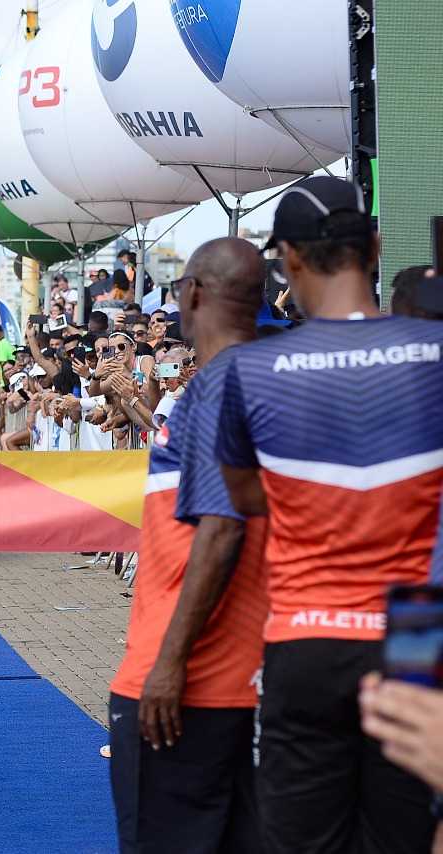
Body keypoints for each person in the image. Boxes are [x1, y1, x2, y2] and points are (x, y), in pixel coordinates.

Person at [216, 177, 443, 853]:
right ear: (373, 246)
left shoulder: (249, 372)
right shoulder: (434, 353)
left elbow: (245, 497)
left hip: (305, 631)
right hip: (415, 630)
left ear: (287, 260)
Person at [108, 238, 270, 854]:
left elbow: (222, 527)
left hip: (188, 685)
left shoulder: (219, 388)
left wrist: (170, 664)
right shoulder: (260, 383)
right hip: (245, 678)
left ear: (193, 292)